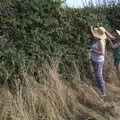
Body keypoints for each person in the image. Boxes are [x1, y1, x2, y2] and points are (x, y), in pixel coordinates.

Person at [88, 26, 107, 96]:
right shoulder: (97, 40)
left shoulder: (101, 42)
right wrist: (91, 28)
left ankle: (103, 92)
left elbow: (102, 53)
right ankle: (100, 88)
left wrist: (93, 50)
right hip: (94, 60)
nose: (94, 35)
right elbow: (93, 33)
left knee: (99, 76)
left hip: (98, 61)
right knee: (97, 74)